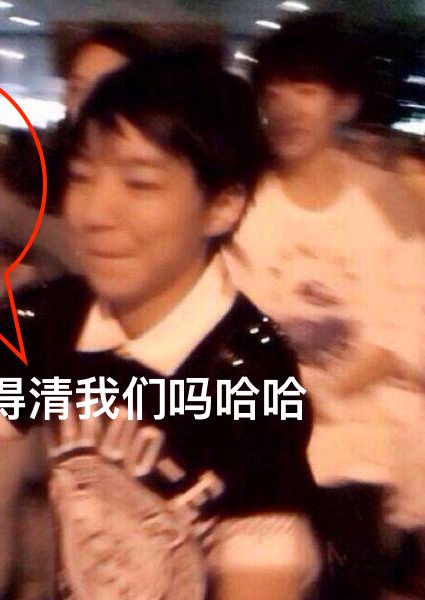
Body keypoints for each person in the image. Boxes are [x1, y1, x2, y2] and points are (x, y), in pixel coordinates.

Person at [0, 49, 320, 599]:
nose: (95, 212)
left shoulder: (253, 378)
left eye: (140, 183)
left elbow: (262, 571)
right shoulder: (56, 317)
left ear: (223, 205)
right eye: (83, 177)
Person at [223, 14, 425, 597]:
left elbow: (405, 330)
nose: (287, 107)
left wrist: (325, 393)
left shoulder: (386, 200)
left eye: (307, 89)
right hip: (261, 443)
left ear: (344, 103)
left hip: (356, 450)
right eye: (274, 91)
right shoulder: (242, 202)